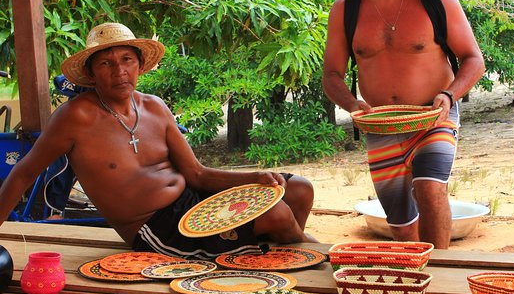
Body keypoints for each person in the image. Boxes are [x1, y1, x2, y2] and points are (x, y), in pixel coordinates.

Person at [0, 22, 317, 259]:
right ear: (92, 73)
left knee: (300, 189)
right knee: (275, 216)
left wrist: (255, 177)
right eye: (106, 63)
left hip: (194, 201)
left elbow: (198, 174)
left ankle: (273, 256)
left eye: (127, 59)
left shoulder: (153, 106)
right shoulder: (75, 117)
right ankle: (300, 255)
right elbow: (24, 173)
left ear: (140, 65)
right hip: (155, 228)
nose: (119, 71)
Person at [323, 0, 485, 249]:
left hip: (433, 115)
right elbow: (331, 75)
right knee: (400, 223)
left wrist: (448, 96)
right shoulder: (345, 9)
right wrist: (352, 104)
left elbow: (473, 60)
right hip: (380, 125)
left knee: (429, 187)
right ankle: (415, 278)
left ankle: (441, 274)